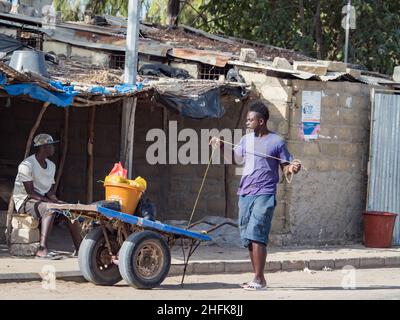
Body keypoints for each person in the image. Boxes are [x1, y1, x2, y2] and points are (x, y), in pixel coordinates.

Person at [210, 101, 301, 290]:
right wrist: (220, 146)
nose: (247, 122)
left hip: (265, 193)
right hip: (245, 193)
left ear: (261, 121)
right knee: (248, 236)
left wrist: (292, 168)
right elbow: (235, 159)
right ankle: (258, 278)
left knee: (257, 233)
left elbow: (286, 166)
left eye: (250, 120)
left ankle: (259, 279)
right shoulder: (246, 140)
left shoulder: (276, 141)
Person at [12, 133, 82, 259]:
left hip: (41, 200)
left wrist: (57, 201)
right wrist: (51, 203)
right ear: (43, 147)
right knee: (49, 210)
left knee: (70, 211)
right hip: (25, 201)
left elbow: (49, 190)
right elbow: (30, 192)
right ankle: (42, 248)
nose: (53, 148)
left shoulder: (51, 166)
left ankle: (80, 249)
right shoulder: (26, 165)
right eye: (51, 145)